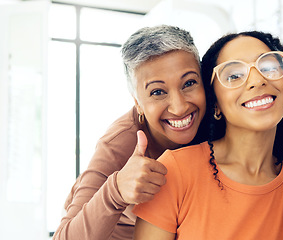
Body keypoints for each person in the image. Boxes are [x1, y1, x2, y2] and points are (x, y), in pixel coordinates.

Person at [132, 27, 283, 239]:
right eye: (234, 75)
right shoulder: (174, 171)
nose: (257, 80)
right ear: (215, 102)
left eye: (268, 66)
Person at [53, 25, 207, 240]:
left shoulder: (214, 117)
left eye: (189, 83)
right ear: (138, 104)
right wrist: (115, 192)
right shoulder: (119, 143)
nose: (179, 107)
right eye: (157, 92)